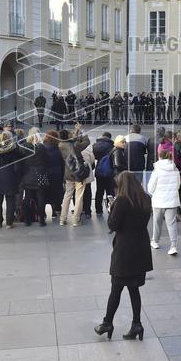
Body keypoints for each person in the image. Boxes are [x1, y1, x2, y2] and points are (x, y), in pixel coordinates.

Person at [94, 171, 153, 341]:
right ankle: (136, 324)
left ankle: (107, 323)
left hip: (124, 250)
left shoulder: (121, 201)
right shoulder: (145, 199)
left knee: (116, 287)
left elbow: (113, 225)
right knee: (133, 289)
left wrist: (111, 208)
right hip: (140, 248)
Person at [59, 128, 90, 226]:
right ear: (67, 136)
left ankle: (62, 219)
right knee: (79, 196)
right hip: (78, 173)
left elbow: (72, 140)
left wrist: (76, 132)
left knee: (67, 195)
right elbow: (86, 142)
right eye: (69, 133)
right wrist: (83, 133)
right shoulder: (75, 145)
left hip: (68, 173)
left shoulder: (61, 145)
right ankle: (76, 219)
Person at [19, 128, 49, 226]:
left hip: (28, 175)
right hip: (40, 174)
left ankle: (27, 220)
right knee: (41, 197)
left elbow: (21, 162)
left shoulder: (25, 147)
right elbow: (46, 160)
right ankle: (41, 219)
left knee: (27, 198)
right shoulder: (42, 147)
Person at [92, 131, 115, 216]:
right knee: (110, 191)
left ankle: (98, 210)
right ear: (109, 137)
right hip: (109, 171)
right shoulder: (111, 146)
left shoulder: (95, 145)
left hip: (99, 170)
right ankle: (110, 208)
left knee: (99, 191)